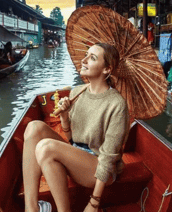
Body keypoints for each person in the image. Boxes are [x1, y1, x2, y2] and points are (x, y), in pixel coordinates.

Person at [22, 43, 129, 212]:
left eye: (92, 58)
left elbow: (108, 159)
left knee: (45, 148)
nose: (84, 60)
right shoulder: (77, 92)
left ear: (107, 69)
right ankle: (31, 208)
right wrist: (65, 116)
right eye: (86, 55)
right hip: (78, 155)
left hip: (99, 166)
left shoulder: (117, 104)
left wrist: (94, 203)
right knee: (34, 127)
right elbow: (72, 139)